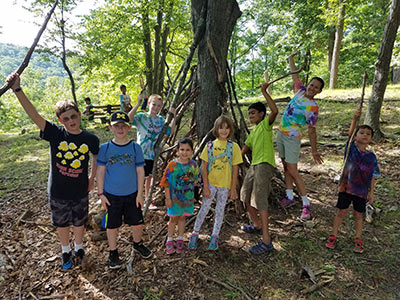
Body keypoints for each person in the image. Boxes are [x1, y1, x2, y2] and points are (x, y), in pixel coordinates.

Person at [6, 72, 99, 270]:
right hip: (58, 190)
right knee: (63, 223)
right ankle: (65, 250)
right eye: (66, 118)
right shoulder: (56, 134)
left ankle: (79, 248)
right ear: (60, 119)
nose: (71, 121)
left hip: (80, 189)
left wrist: (92, 178)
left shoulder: (90, 139)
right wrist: (17, 89)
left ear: (79, 115)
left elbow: (97, 157)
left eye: (74, 116)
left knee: (79, 221)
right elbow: (34, 115)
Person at [96, 111, 152, 269]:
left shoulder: (135, 148)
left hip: (132, 194)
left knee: (137, 223)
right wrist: (101, 194)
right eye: (116, 126)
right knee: (112, 225)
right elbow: (100, 172)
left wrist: (140, 194)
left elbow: (141, 171)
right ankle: (113, 252)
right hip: (111, 195)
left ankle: (137, 243)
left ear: (129, 128)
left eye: (123, 126)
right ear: (110, 128)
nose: (120, 129)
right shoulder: (105, 148)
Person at [277, 50, 324, 221]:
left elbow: (312, 130)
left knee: (293, 170)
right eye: (312, 84)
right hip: (281, 134)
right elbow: (294, 75)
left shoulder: (312, 107)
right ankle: (290, 197)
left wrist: (314, 151)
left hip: (292, 138)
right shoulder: (299, 90)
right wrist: (291, 59)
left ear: (319, 92)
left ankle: (306, 205)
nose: (312, 88)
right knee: (285, 166)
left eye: (316, 87)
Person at [326, 108, 380, 253]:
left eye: (368, 134)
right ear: (356, 136)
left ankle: (358, 239)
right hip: (346, 187)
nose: (364, 135)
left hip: (361, 192)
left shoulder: (372, 157)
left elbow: (373, 176)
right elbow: (349, 137)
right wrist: (355, 119)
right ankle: (333, 235)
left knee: (358, 215)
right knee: (341, 212)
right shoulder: (351, 149)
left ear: (371, 139)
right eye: (361, 133)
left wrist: (371, 193)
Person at [188, 115, 243, 251]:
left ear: (230, 130)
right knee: (204, 208)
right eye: (221, 128)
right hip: (211, 184)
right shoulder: (210, 146)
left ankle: (215, 236)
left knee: (220, 211)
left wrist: (233, 188)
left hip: (225, 185)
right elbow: (204, 167)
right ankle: (195, 233)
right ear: (216, 129)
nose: (224, 131)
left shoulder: (234, 147)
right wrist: (205, 186)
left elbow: (235, 168)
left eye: (227, 128)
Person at [240, 81, 279, 255]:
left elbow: (275, 111)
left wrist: (264, 92)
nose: (251, 116)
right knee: (245, 196)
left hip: (264, 164)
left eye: (253, 113)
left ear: (262, 114)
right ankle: (256, 225)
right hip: (254, 166)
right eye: (249, 114)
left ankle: (266, 241)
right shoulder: (253, 132)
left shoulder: (265, 125)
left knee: (261, 200)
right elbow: (244, 149)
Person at [128, 94, 176, 209]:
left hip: (152, 154)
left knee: (149, 178)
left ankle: (147, 201)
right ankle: (133, 198)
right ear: (149, 104)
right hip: (140, 153)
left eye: (159, 106)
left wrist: (174, 116)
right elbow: (129, 119)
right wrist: (138, 103)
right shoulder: (141, 117)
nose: (156, 107)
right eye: (154, 104)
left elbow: (170, 131)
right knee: (137, 177)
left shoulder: (160, 120)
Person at [160, 138, 199, 254]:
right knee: (173, 218)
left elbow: (195, 183)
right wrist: (168, 198)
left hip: (187, 198)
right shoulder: (172, 165)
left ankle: (180, 238)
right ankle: (170, 239)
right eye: (182, 149)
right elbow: (166, 183)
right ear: (177, 150)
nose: (184, 152)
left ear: (192, 151)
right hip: (174, 198)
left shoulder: (193, 165)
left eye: (188, 150)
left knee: (182, 217)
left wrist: (195, 197)